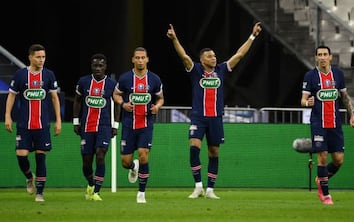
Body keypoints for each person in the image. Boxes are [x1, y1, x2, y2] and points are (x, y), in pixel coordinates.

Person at [167, 22, 262, 199]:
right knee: (194, 148)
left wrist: (253, 36)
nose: (214, 58)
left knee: (214, 153)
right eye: (210, 56)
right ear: (202, 60)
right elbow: (184, 56)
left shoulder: (221, 70)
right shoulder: (195, 70)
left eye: (214, 56)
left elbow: (240, 54)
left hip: (216, 118)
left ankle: (210, 189)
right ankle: (198, 187)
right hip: (198, 117)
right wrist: (175, 39)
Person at [4, 44, 62, 202]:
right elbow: (11, 96)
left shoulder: (49, 75)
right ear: (30, 57)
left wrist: (58, 120)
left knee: (40, 157)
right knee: (21, 156)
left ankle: (40, 193)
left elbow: (54, 98)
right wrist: (8, 116)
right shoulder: (20, 75)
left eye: (43, 57)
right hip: (24, 125)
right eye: (38, 57)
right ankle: (30, 177)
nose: (41, 60)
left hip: (42, 125)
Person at [301, 45, 354, 205]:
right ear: (316, 58)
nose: (323, 57)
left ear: (330, 57)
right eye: (320, 54)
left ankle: (321, 179)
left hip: (335, 123)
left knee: (339, 159)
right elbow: (303, 100)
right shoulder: (310, 76)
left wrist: (352, 116)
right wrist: (307, 102)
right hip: (318, 123)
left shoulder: (338, 74)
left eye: (325, 54)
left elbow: (344, 97)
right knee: (323, 156)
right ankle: (326, 195)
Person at [113, 47, 164, 203]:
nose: (140, 60)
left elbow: (160, 98)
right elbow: (116, 94)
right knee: (125, 162)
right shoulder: (125, 78)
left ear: (147, 59)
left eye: (143, 57)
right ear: (133, 60)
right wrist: (123, 104)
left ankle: (141, 193)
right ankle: (133, 167)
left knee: (143, 155)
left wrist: (157, 107)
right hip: (128, 125)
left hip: (146, 124)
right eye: (137, 58)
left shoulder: (154, 79)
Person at [73, 53, 120, 201]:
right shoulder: (84, 82)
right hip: (86, 127)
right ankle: (91, 184)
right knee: (86, 163)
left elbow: (118, 104)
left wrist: (115, 125)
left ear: (105, 67)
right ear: (91, 66)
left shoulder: (112, 84)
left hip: (104, 127)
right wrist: (76, 122)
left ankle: (97, 192)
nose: (98, 68)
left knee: (100, 156)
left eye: (101, 66)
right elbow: (77, 101)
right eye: (95, 65)